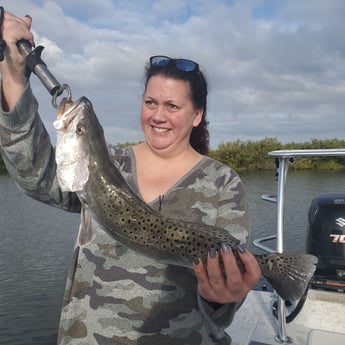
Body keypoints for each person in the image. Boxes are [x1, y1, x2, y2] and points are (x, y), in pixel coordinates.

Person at [0, 11, 261, 345]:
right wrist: (14, 75)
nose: (158, 116)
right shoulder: (109, 163)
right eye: (150, 102)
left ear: (197, 115)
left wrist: (222, 296)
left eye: (172, 106)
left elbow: (222, 310)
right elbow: (34, 174)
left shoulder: (223, 183)